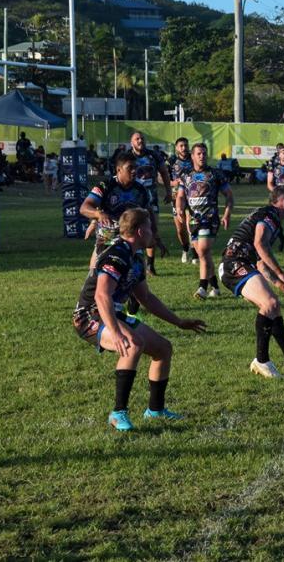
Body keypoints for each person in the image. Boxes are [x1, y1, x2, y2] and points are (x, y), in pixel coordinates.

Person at [72, 208, 206, 432]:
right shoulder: (117, 255)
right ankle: (118, 413)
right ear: (140, 230)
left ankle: (155, 411)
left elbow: (145, 298)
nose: (154, 232)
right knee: (132, 344)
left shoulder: (135, 257)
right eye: (151, 227)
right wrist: (115, 332)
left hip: (111, 312)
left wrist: (179, 322)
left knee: (163, 349)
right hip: (89, 315)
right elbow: (101, 295)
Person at [218, 186, 284, 378]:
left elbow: (260, 261)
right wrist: (281, 273)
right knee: (269, 304)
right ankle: (261, 360)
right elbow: (259, 244)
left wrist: (281, 286)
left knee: (274, 307)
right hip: (234, 264)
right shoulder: (271, 215)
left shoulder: (268, 215)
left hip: (241, 264)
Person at [175, 143, 233, 300]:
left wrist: (227, 214)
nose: (202, 156)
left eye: (204, 153)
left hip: (210, 218)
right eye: (199, 153)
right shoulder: (186, 176)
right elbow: (180, 196)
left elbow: (229, 195)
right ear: (192, 156)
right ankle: (215, 287)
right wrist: (180, 209)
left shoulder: (215, 174)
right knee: (203, 255)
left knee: (203, 251)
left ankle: (202, 287)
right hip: (193, 219)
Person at [80, 151, 153, 269]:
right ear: (118, 170)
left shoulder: (141, 190)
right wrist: (98, 214)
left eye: (135, 167)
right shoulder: (105, 186)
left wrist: (155, 235)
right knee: (97, 279)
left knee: (135, 280)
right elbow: (84, 207)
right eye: (130, 168)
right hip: (107, 241)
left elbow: (148, 213)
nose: (134, 171)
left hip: (132, 242)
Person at [129, 132, 170, 275]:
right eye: (137, 139)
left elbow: (164, 172)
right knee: (131, 231)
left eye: (142, 138)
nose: (140, 141)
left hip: (151, 199)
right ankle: (132, 261)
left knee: (151, 230)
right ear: (131, 142)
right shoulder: (127, 157)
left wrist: (168, 191)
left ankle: (150, 265)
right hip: (132, 200)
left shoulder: (153, 155)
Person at [167, 138, 197, 264]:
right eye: (181, 146)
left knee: (192, 224)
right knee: (180, 228)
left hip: (192, 196)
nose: (184, 148)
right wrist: (174, 182)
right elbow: (161, 177)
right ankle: (185, 249)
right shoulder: (171, 161)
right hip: (176, 197)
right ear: (176, 148)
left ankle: (195, 253)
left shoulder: (193, 158)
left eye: (185, 145)